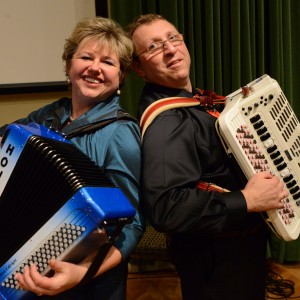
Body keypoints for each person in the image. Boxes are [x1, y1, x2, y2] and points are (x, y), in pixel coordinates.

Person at [127, 14, 288, 300]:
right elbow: (166, 207)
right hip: (217, 267)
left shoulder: (196, 102)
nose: (169, 49)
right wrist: (247, 200)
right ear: (139, 68)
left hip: (235, 257)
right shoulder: (168, 123)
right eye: (153, 47)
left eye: (173, 38)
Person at [0, 17, 145, 299]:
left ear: (120, 77)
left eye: (108, 62)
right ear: (69, 66)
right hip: (31, 273)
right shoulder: (47, 116)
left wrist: (82, 272)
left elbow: (133, 224)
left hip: (89, 285)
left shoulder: (120, 134)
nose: (95, 67)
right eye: (86, 57)